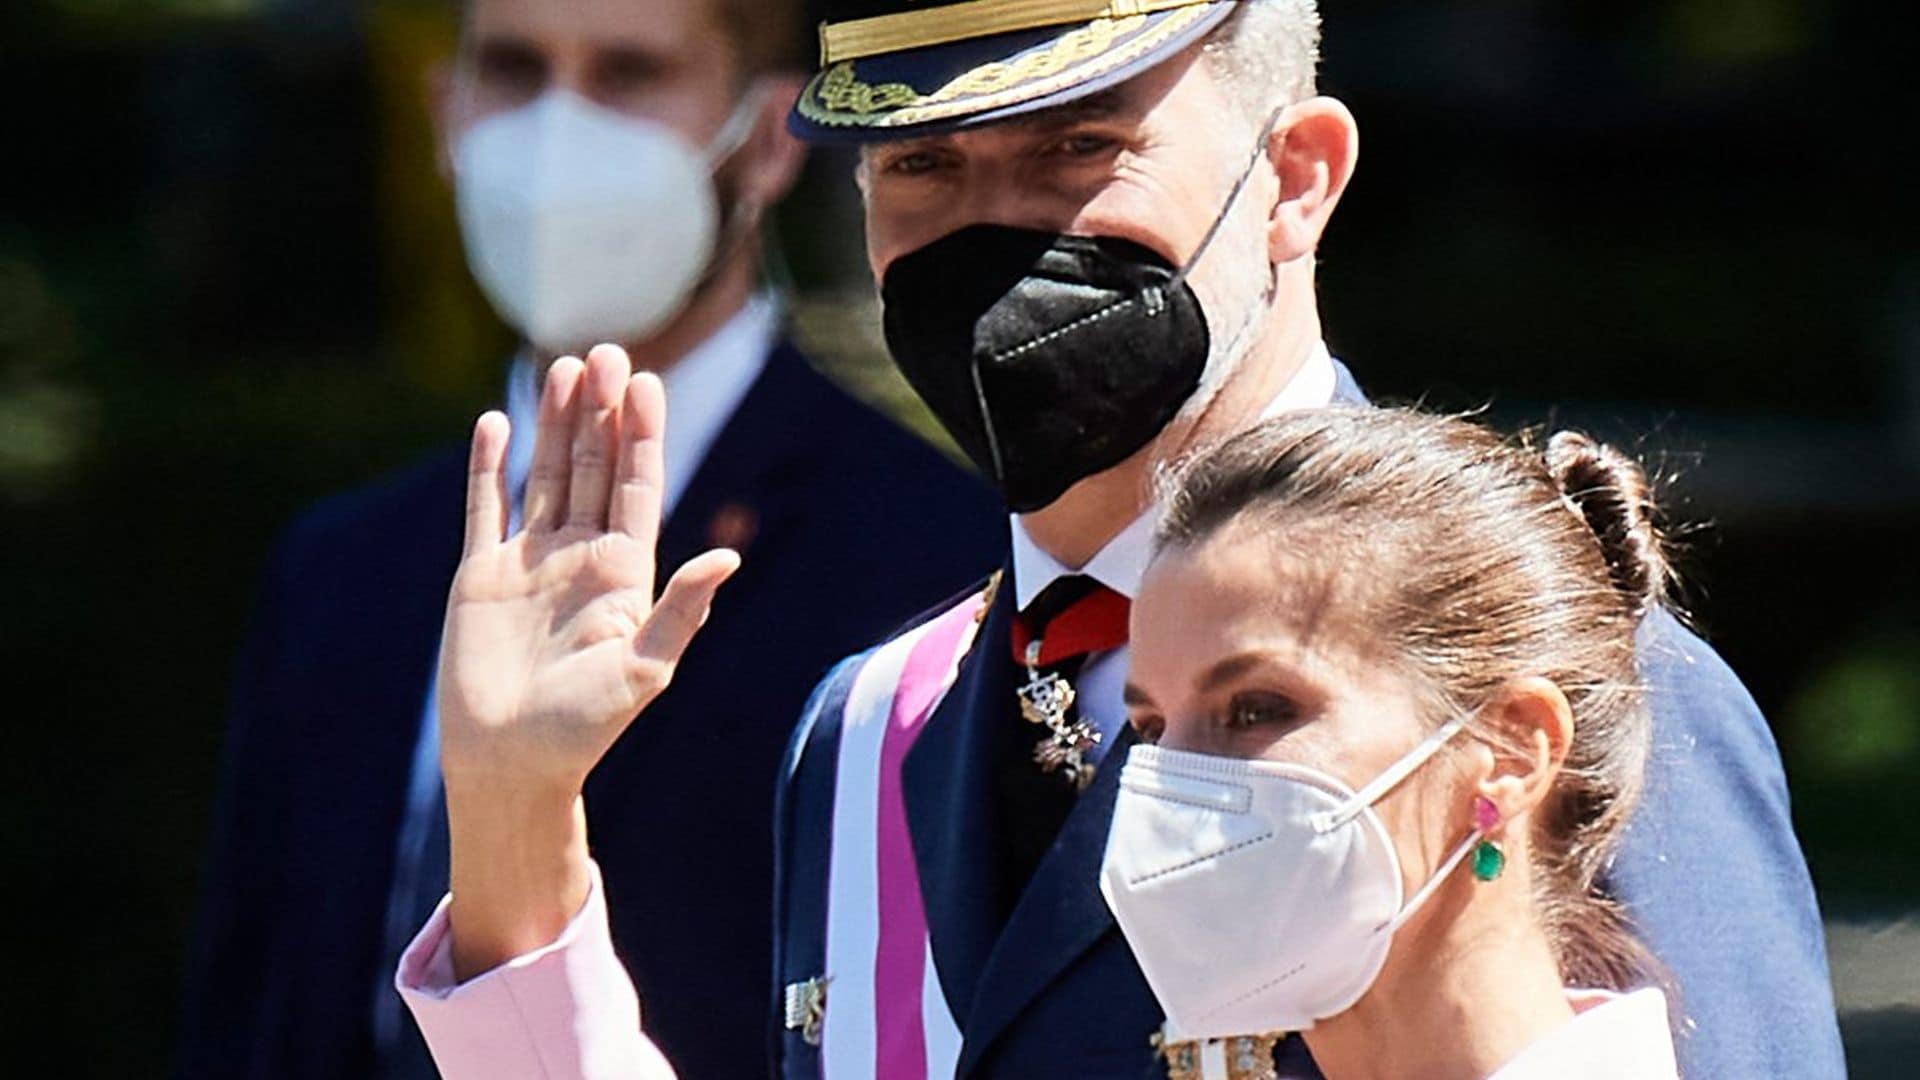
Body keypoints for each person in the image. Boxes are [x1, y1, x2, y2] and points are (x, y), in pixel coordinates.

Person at [394, 1, 1842, 1077]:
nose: (993, 231)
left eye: (1080, 148)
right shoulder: (869, 733)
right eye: (921, 170)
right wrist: (516, 826)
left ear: (1294, 179)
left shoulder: (1542, 673)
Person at [176, 0, 1002, 1076]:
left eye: (628, 74)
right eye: (515, 69)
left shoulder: (937, 562)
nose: (558, 129)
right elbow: (254, 1005)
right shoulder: (340, 564)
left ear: (764, 139)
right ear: (445, 115)